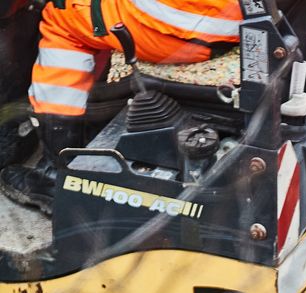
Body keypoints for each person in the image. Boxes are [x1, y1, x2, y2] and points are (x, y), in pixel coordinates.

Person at [2, 0, 243, 213]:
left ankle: (57, 174)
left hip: (187, 20)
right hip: (233, 16)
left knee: (62, 15)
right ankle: (84, 117)